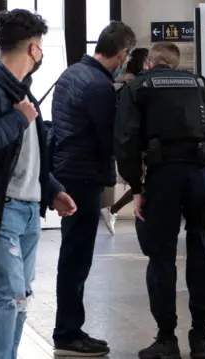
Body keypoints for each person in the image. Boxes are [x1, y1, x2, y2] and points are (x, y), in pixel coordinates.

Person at [0, 9, 76, 359]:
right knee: (9, 293)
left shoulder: (23, 91)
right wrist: (17, 117)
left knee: (21, 294)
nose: (41, 53)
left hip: (28, 206)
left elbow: (28, 154)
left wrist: (52, 189)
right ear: (31, 49)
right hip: (1, 209)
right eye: (40, 46)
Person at [115, 42, 205, 359]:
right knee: (200, 251)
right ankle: (200, 337)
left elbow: (126, 140)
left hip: (161, 178)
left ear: (150, 63)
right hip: (201, 176)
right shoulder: (199, 84)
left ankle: (167, 338)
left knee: (161, 258)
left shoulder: (139, 86)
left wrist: (135, 187)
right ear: (177, 63)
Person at [50, 21, 136, 356]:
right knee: (77, 256)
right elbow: (109, 136)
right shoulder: (100, 86)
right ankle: (68, 332)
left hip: (68, 171)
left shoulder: (72, 72)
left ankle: (70, 328)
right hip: (83, 176)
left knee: (73, 252)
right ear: (122, 53)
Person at [101, 47, 150, 235]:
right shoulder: (136, 86)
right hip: (139, 143)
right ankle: (114, 210)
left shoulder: (122, 83)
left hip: (128, 141)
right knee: (143, 184)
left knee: (142, 184)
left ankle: (113, 210)